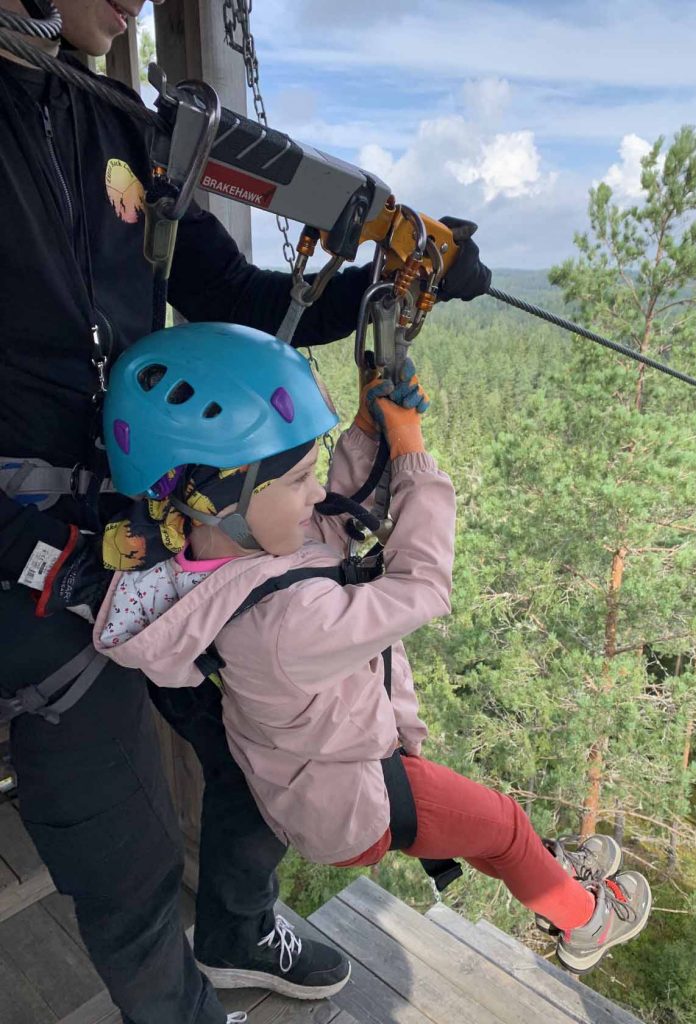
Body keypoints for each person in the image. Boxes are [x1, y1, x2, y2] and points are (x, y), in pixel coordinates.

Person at [0, 2, 492, 1022]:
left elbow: (234, 293)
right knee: (130, 871)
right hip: (39, 577)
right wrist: (60, 564)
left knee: (256, 742)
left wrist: (391, 282)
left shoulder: (109, 119)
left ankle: (231, 923)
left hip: (169, 535)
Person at [90, 322, 653, 977]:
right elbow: (421, 587)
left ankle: (548, 868)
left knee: (490, 833)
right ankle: (585, 921)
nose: (314, 491)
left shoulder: (232, 556)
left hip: (336, 769)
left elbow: (330, 524)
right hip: (361, 798)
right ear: (221, 497)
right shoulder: (282, 628)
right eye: (301, 477)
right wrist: (410, 450)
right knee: (501, 825)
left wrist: (364, 430)